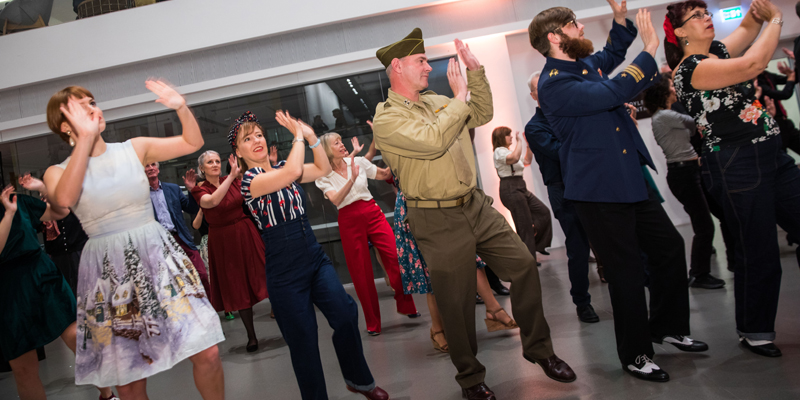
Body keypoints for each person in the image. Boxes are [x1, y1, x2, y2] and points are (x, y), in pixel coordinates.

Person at [372, 28, 575, 400]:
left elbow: (481, 112)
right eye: (420, 62)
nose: (427, 68)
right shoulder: (387, 119)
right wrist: (458, 98)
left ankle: (539, 349)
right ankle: (470, 378)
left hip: (475, 204)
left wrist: (476, 74)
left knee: (523, 265)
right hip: (435, 218)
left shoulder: (437, 101)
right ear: (397, 66)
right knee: (457, 301)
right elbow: (432, 141)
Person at [531, 2, 707, 382]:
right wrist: (649, 48)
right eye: (573, 25)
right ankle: (636, 355)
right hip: (597, 191)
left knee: (669, 249)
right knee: (626, 273)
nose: (580, 28)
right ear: (554, 37)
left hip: (627, 179)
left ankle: (667, 327)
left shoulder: (582, 66)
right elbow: (614, 89)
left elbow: (610, 55)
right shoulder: (554, 83)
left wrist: (621, 20)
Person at [42, 82, 225, 398]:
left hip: (157, 256)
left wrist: (180, 106)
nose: (92, 108)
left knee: (207, 350)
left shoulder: (134, 148)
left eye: (93, 101)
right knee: (129, 380)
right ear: (64, 125)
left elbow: (192, 141)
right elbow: (66, 198)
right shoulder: (57, 172)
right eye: (80, 106)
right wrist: (85, 139)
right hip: (110, 271)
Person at [667, 0, 800, 357]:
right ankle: (755, 330)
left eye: (707, 12)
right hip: (736, 163)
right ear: (680, 32)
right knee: (759, 250)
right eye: (697, 16)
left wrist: (760, 11)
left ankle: (754, 326)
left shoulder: (718, 51)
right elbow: (754, 63)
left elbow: (747, 29)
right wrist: (777, 18)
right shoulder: (691, 68)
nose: (707, 18)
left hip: (772, 155)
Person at [233, 110, 388, 400]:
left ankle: (358, 380)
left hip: (313, 256)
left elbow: (322, 168)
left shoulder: (283, 166)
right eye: (247, 139)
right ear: (238, 152)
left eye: (259, 135)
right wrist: (297, 136)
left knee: (345, 312)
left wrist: (313, 137)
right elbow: (291, 173)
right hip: (283, 269)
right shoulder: (250, 181)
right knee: (303, 341)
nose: (256, 140)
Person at [0, 186, 118, 400]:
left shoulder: (20, 201)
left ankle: (107, 396)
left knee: (78, 337)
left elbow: (60, 212)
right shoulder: (11, 207)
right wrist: (8, 214)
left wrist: (43, 189)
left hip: (41, 273)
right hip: (8, 288)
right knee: (23, 366)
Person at [314, 132, 418, 336]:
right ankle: (373, 322)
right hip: (348, 219)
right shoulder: (323, 176)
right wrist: (351, 178)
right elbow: (335, 200)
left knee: (396, 257)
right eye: (337, 143)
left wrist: (395, 155)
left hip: (372, 212)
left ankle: (405, 303)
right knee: (361, 273)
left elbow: (383, 174)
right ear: (327, 150)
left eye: (341, 140)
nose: (342, 144)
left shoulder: (359, 161)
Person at [524, 72, 599, 323]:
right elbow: (560, 152)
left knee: (608, 237)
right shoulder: (534, 127)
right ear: (534, 96)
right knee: (578, 247)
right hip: (563, 190)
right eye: (539, 89)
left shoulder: (569, 115)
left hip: (590, 184)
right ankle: (582, 302)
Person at [643, 74, 725, 289]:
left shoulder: (666, 115)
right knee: (705, 226)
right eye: (671, 84)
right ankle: (699, 274)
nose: (674, 87)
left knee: (716, 217)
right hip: (684, 174)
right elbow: (697, 124)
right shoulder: (665, 116)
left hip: (689, 171)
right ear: (664, 92)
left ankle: (715, 266)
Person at [190, 150, 269, 352]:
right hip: (222, 240)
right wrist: (232, 176)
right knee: (237, 286)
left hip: (245, 233)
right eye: (210, 162)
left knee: (263, 273)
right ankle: (252, 336)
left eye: (218, 160)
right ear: (202, 168)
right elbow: (212, 201)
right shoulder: (200, 190)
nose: (216, 164)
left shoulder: (233, 179)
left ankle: (287, 320)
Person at [145, 161, 211, 294]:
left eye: (153, 165)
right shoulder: (141, 195)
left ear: (158, 169)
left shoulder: (173, 188)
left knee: (201, 274)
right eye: (147, 166)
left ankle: (210, 308)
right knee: (172, 281)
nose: (151, 168)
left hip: (180, 238)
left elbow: (191, 208)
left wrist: (192, 190)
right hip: (158, 243)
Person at [18, 174, 88, 296]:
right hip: (57, 257)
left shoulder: (72, 200)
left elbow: (65, 208)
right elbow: (34, 227)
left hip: (79, 252)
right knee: (64, 292)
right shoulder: (43, 208)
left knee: (85, 290)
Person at [491, 126, 553, 259]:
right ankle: (529, 259)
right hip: (510, 188)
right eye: (509, 135)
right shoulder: (499, 152)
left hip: (520, 186)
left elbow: (527, 161)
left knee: (543, 212)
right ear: (501, 137)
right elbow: (514, 158)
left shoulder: (508, 151)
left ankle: (537, 245)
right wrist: (520, 141)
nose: (511, 137)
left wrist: (528, 146)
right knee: (524, 225)